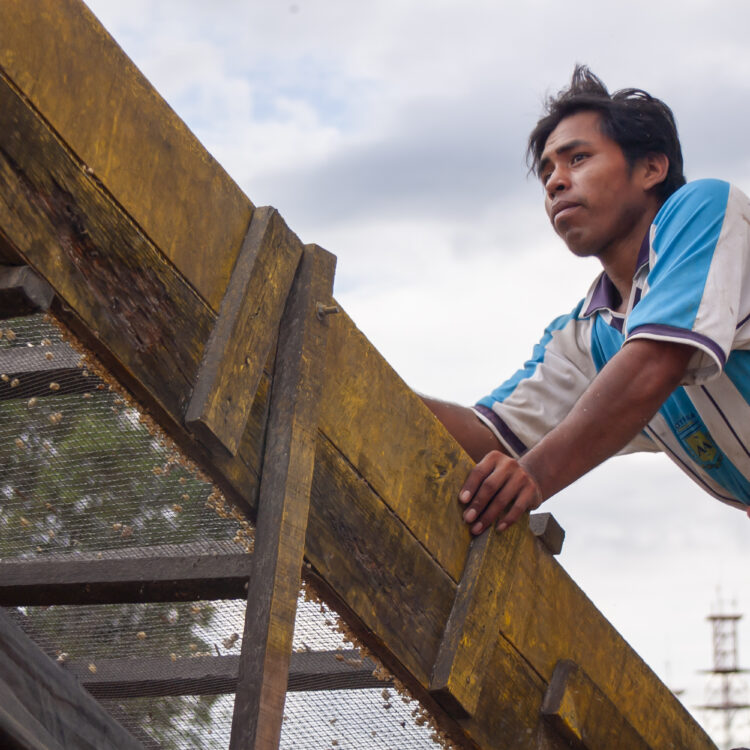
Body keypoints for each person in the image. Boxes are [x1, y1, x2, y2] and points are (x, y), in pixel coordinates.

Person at [423, 65, 750, 535]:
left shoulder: (706, 212)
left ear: (652, 169)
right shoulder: (587, 337)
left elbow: (656, 361)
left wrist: (534, 475)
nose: (556, 182)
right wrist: (341, 360)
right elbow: (490, 438)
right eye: (546, 173)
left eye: (577, 159)